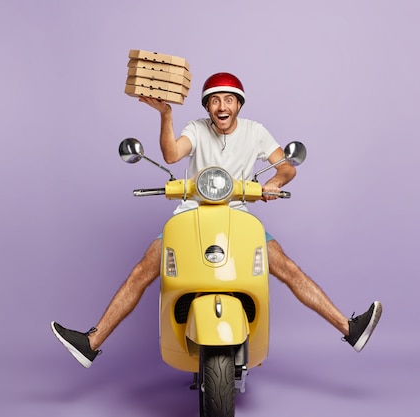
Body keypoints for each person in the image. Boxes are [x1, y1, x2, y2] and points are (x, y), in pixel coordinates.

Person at [51, 72, 382, 368]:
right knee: (143, 270)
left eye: (227, 99)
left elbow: (287, 166)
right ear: (207, 107)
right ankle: (91, 343)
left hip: (237, 215)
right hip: (190, 214)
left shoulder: (256, 131)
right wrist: (166, 115)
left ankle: (349, 329)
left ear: (238, 104)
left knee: (286, 266)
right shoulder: (196, 128)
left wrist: (273, 184)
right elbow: (171, 154)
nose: (221, 106)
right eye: (213, 101)